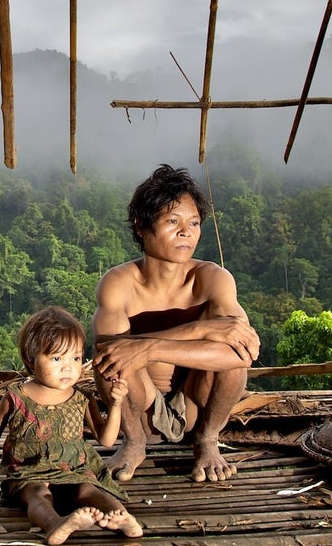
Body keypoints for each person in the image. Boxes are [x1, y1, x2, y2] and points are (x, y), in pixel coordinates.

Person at [92, 164, 261, 483]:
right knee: (110, 358)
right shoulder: (119, 283)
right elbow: (109, 353)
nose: (186, 232)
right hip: (139, 409)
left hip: (196, 406)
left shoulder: (213, 279)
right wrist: (200, 330)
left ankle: (207, 441)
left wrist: (150, 347)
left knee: (232, 358)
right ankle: (134, 444)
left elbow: (243, 354)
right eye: (173, 221)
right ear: (142, 226)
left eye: (194, 223)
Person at [0, 306, 143, 546]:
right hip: (29, 472)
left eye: (76, 358)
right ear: (31, 358)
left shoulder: (82, 398)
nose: (68, 367)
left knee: (89, 491)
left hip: (74, 470)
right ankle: (54, 523)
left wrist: (116, 405)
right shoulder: (17, 396)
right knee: (37, 494)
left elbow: (106, 440)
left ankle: (122, 518)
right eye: (57, 358)